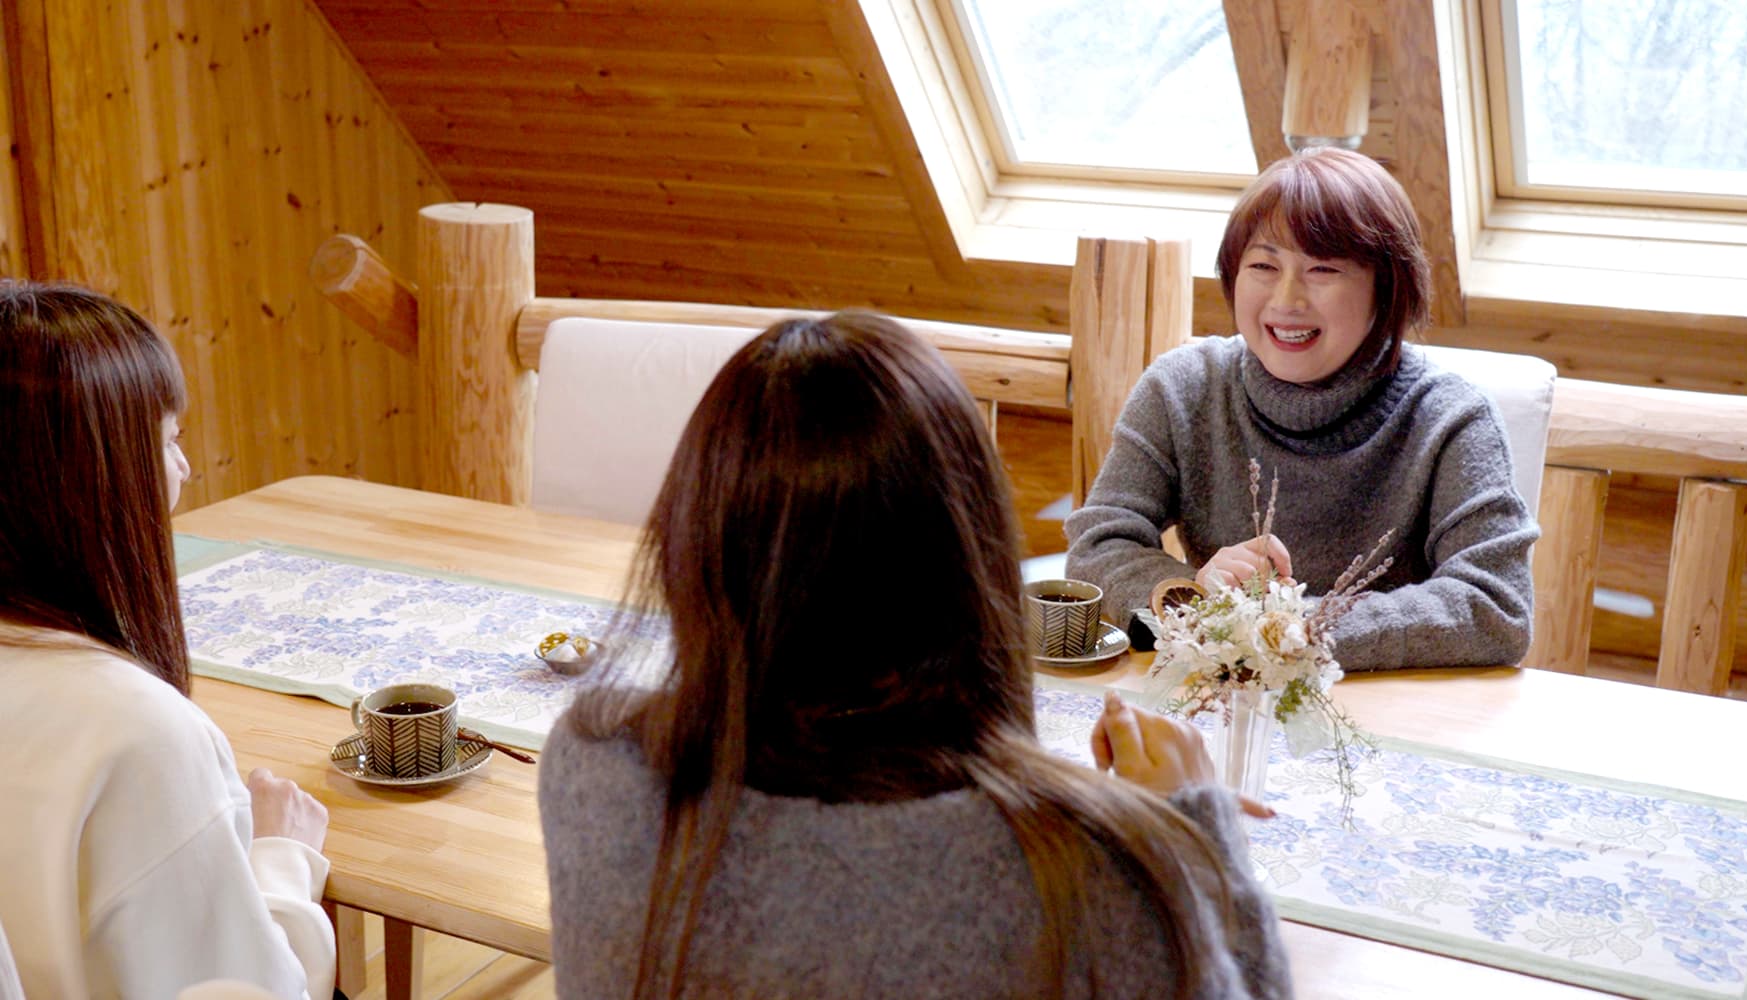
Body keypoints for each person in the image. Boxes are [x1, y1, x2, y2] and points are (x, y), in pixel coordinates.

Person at [539, 311, 1291, 999]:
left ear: (694, 549)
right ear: (970, 563)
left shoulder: (595, 767)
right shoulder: (1093, 868)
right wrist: (1198, 832)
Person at [1066, 148, 1537, 671]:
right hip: (1222, 696)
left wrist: (1291, 630)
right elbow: (1098, 546)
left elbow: (1497, 606)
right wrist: (1195, 599)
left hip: (1386, 703)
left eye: (1322, 268)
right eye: (1263, 266)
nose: (1287, 299)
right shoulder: (1184, 387)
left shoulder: (1450, 417)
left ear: (1386, 287)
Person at [0, 282, 336, 1000]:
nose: (183, 467)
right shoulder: (135, 733)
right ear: (95, 475)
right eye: (168, 440)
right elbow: (248, 990)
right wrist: (283, 861)